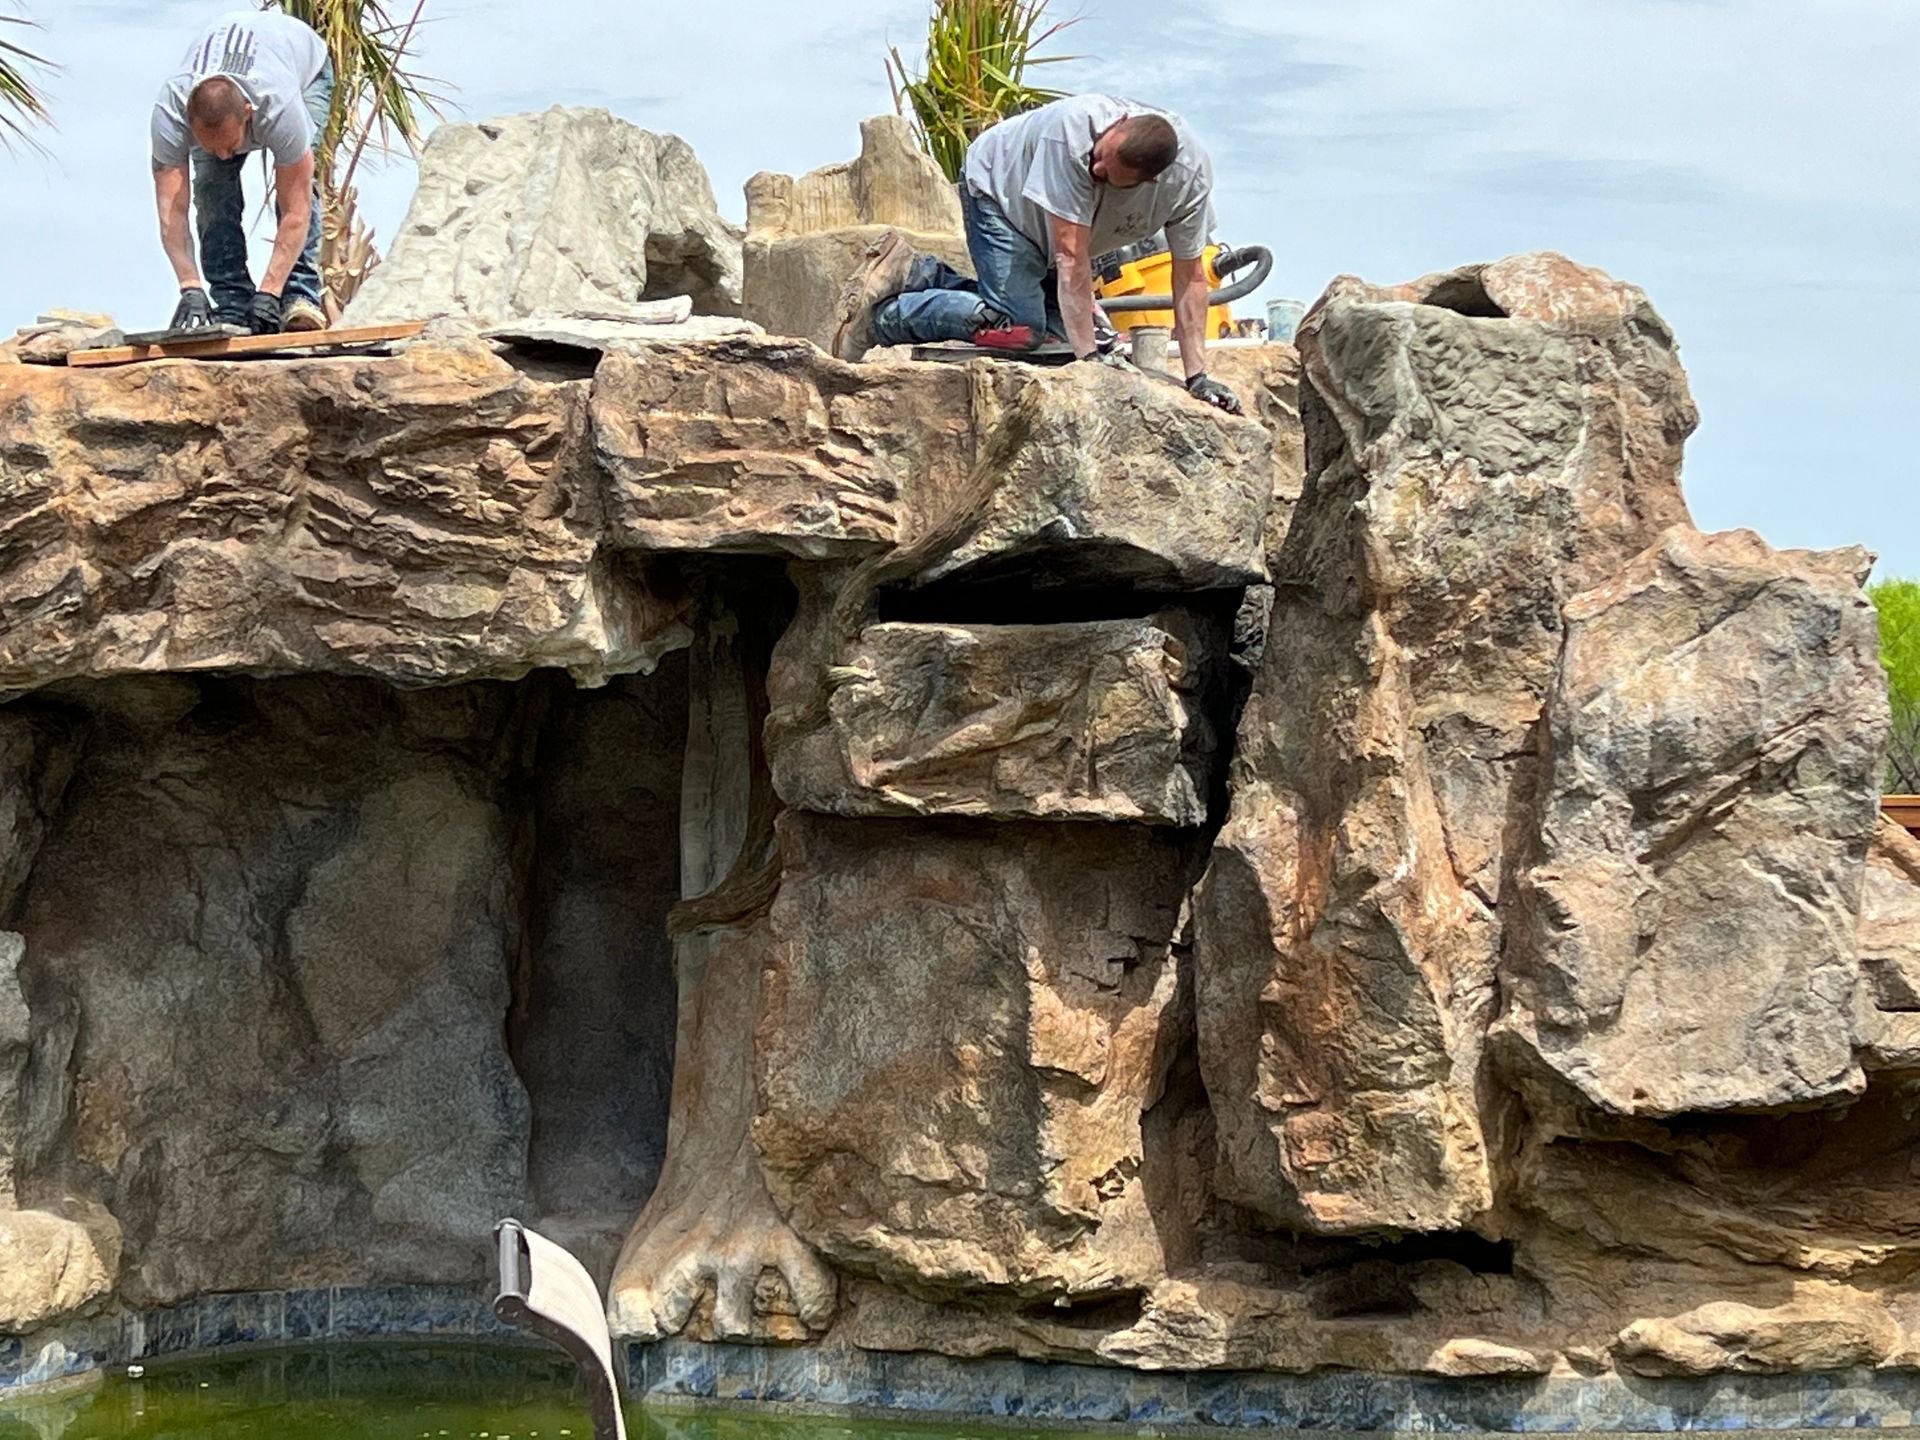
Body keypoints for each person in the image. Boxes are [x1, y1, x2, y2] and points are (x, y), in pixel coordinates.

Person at [833, 94, 1242, 415]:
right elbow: (1070, 257)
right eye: (1099, 157)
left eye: (1106, 175)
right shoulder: (1072, 135)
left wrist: (1197, 377)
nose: (1095, 169)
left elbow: (1190, 278)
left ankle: (916, 273)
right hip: (1000, 196)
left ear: (1149, 182)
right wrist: (1090, 364)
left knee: (1057, 345)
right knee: (1019, 328)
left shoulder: (1189, 183)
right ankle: (881, 321)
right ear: (1118, 124)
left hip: (1054, 238)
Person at [151, 10, 334, 336]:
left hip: (307, 70)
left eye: (230, 144)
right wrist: (190, 286)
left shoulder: (279, 107)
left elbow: (297, 210)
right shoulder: (170, 114)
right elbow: (171, 212)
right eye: (210, 146)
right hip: (241, 68)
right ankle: (232, 302)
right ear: (189, 123)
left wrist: (270, 292)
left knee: (300, 187)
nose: (224, 155)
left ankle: (299, 295)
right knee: (212, 189)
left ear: (249, 114)